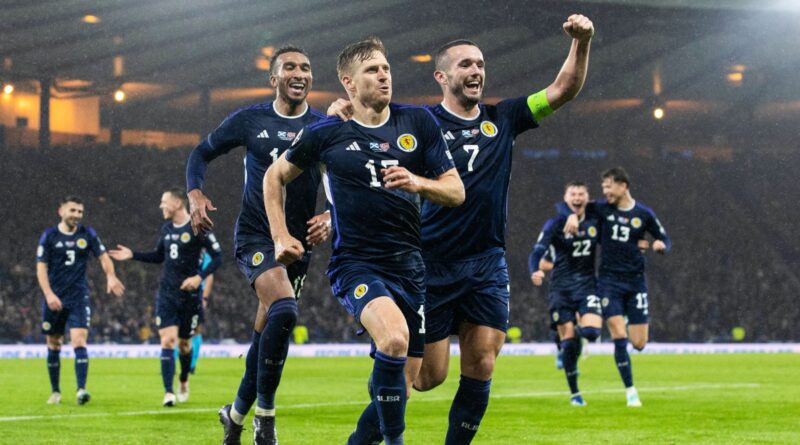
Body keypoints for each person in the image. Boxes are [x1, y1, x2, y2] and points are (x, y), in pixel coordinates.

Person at [328, 14, 594, 443]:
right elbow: (365, 129)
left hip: (486, 264)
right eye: (466, 65)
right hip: (428, 263)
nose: (476, 72)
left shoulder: (504, 117)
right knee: (424, 378)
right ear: (442, 75)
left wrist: (581, 43)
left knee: (483, 362)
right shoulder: (417, 123)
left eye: (481, 64)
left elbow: (562, 90)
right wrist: (340, 110)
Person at [265, 37, 464, 445]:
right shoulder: (327, 133)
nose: (384, 75)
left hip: (410, 266)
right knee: (393, 339)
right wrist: (280, 234)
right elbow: (274, 177)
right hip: (357, 264)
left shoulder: (418, 123)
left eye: (386, 68)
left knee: (408, 385)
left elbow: (456, 191)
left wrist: (418, 183)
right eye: (372, 70)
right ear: (348, 83)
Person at [185, 45, 331, 445]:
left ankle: (233, 416)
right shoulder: (250, 120)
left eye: (305, 66)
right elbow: (201, 152)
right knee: (285, 308)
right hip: (255, 235)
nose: (299, 73)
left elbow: (341, 178)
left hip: (298, 244)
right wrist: (195, 194)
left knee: (269, 333)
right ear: (274, 79)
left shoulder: (321, 127)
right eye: (289, 67)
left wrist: (330, 216)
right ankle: (264, 419)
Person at [562, 167, 671, 407]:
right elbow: (571, 205)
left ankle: (583, 333)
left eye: (609, 187)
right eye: (603, 188)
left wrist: (660, 246)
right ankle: (631, 391)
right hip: (609, 283)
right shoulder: (602, 208)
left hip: (636, 283)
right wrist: (571, 216)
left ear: (623, 186)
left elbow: (664, 238)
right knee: (619, 335)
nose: (605, 192)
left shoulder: (644, 214)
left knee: (639, 344)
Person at [109, 188, 222, 406]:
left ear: (178, 203)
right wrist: (133, 254)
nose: (161, 205)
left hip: (189, 297)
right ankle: (168, 393)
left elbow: (218, 258)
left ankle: (183, 378)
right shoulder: (166, 229)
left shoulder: (199, 226)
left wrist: (199, 278)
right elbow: (159, 255)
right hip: (167, 293)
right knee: (167, 340)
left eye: (164, 201)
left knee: (184, 346)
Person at [36, 195, 125, 405]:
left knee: (78, 340)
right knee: (54, 343)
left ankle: (81, 390)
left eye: (80, 212)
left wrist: (111, 276)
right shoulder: (49, 236)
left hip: (78, 297)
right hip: (54, 298)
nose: (77, 215)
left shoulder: (87, 234)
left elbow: (104, 257)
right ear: (62, 211)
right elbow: (41, 268)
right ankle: (56, 392)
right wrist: (49, 294)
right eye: (73, 210)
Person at [529, 181, 602, 406]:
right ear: (566, 197)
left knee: (590, 332)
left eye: (582, 193)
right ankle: (575, 394)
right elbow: (538, 251)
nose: (577, 197)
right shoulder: (555, 223)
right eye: (573, 194)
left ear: (587, 197)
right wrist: (535, 270)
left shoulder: (595, 219)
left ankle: (565, 339)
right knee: (569, 343)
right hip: (561, 288)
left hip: (588, 286)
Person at [190, 250, 215, 374]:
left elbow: (209, 276)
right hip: (184, 293)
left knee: (196, 330)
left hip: (197, 295)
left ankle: (192, 364)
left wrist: (204, 298)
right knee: (178, 329)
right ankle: (180, 362)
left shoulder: (205, 255)